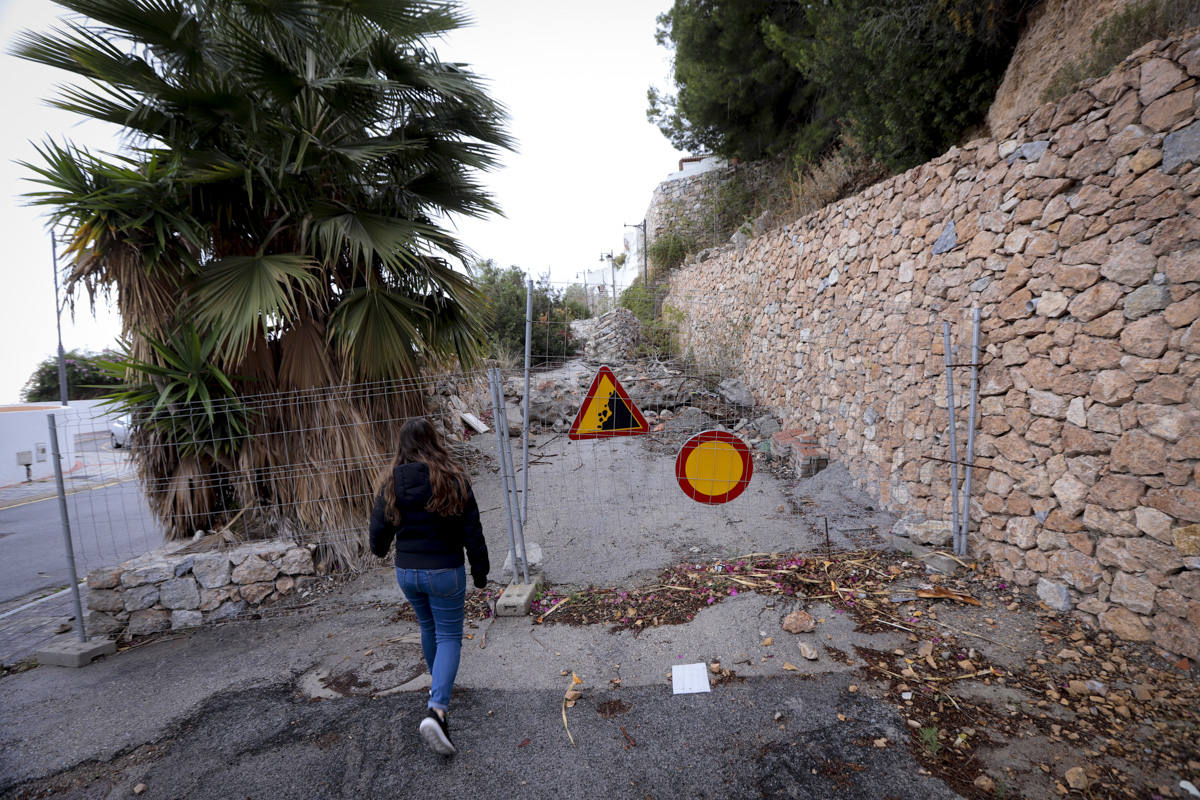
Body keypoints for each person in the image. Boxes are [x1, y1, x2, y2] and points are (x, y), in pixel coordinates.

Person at [370, 417, 489, 756]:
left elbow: (378, 532)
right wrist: (480, 573)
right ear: (434, 441)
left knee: (428, 627)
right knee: (449, 636)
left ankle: (439, 693)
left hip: (407, 572)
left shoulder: (391, 482)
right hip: (444, 573)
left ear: (402, 446)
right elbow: (473, 533)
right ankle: (437, 709)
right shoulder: (453, 478)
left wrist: (379, 550)